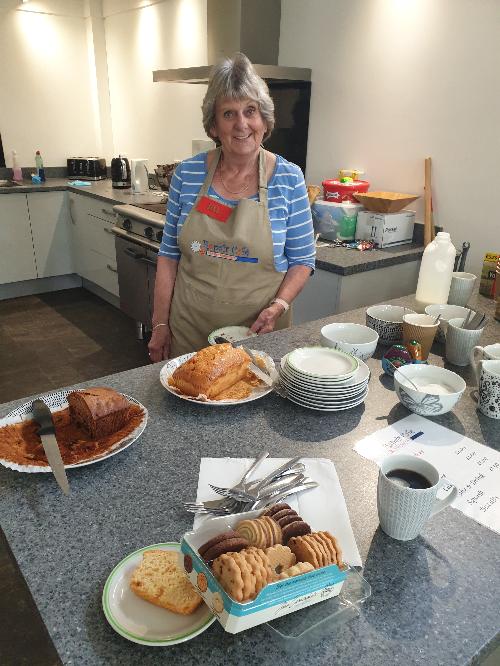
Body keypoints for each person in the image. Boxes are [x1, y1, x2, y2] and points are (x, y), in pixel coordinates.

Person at [148, 53, 315, 361]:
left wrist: (279, 306)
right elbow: (169, 256)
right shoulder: (188, 174)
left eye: (250, 111)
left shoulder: (289, 178)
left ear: (264, 120)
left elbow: (303, 259)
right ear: (213, 126)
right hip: (189, 331)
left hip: (257, 333)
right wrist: (160, 324)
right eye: (228, 114)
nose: (242, 124)